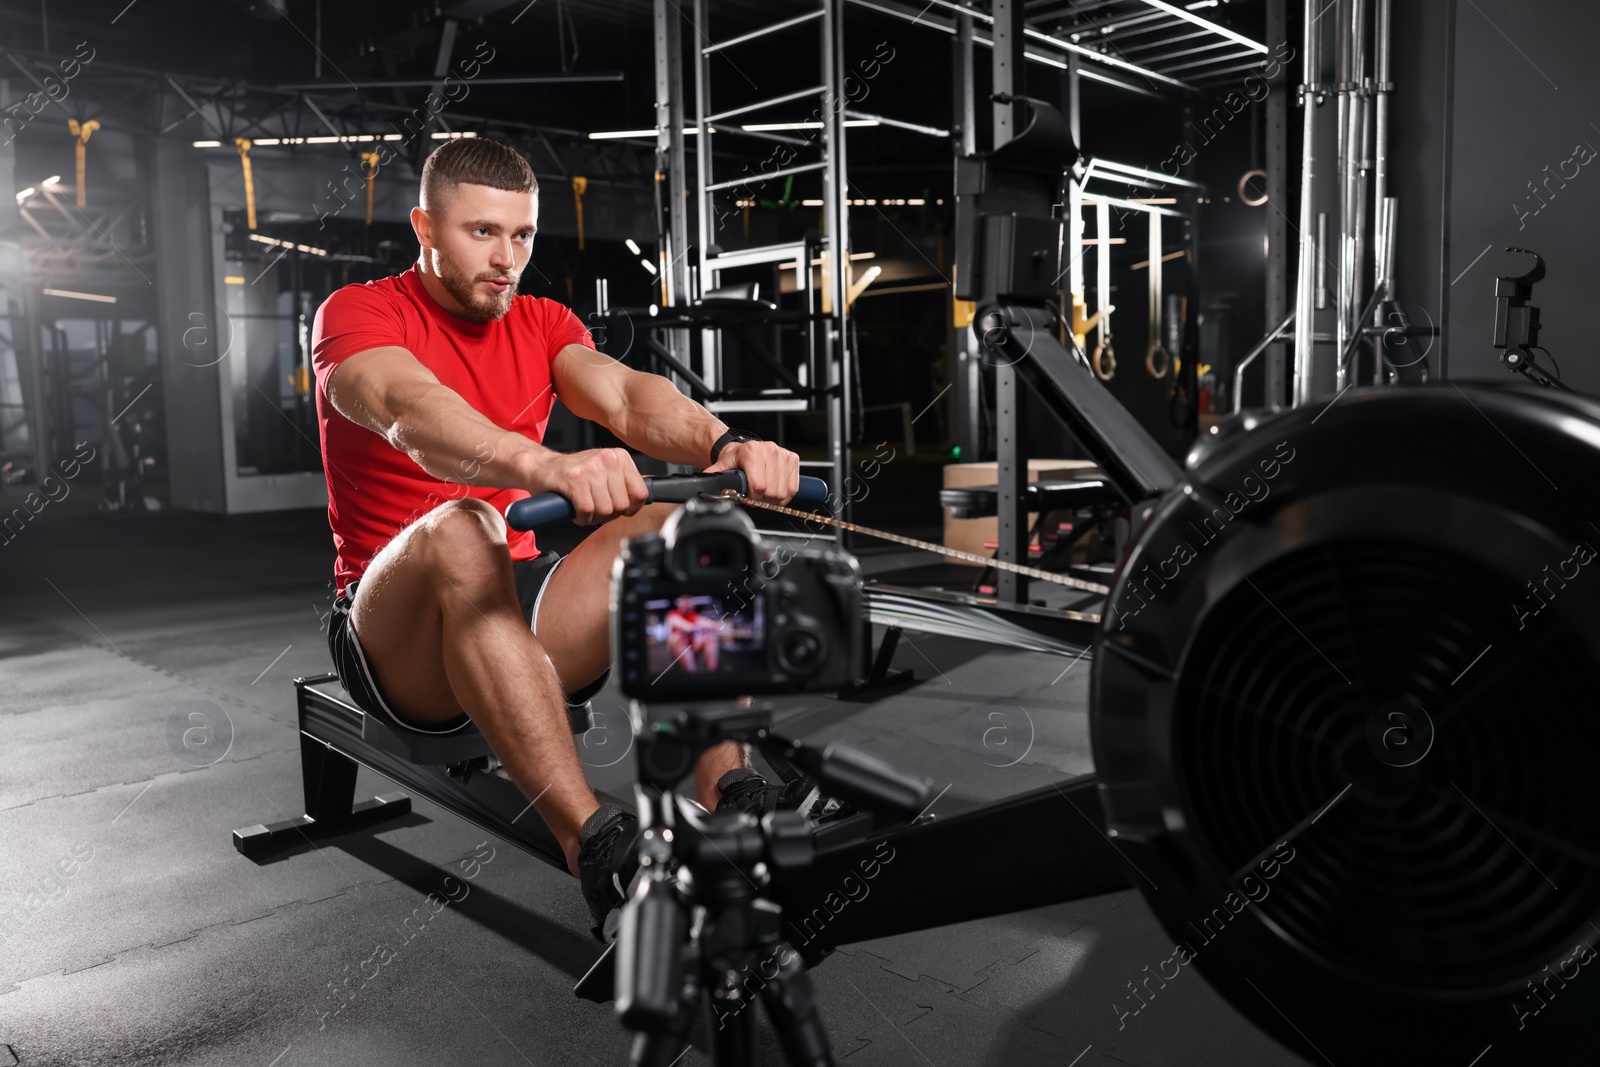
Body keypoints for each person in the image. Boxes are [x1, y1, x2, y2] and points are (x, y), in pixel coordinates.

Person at [311, 137, 804, 939]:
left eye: (523, 235)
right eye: (482, 233)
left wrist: (725, 444)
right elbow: (410, 410)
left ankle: (730, 793)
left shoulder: (541, 321)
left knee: (690, 525)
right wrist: (543, 464)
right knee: (466, 526)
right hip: (396, 643)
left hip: (525, 607)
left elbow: (626, 396)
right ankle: (596, 842)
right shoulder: (359, 313)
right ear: (425, 227)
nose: (507, 258)